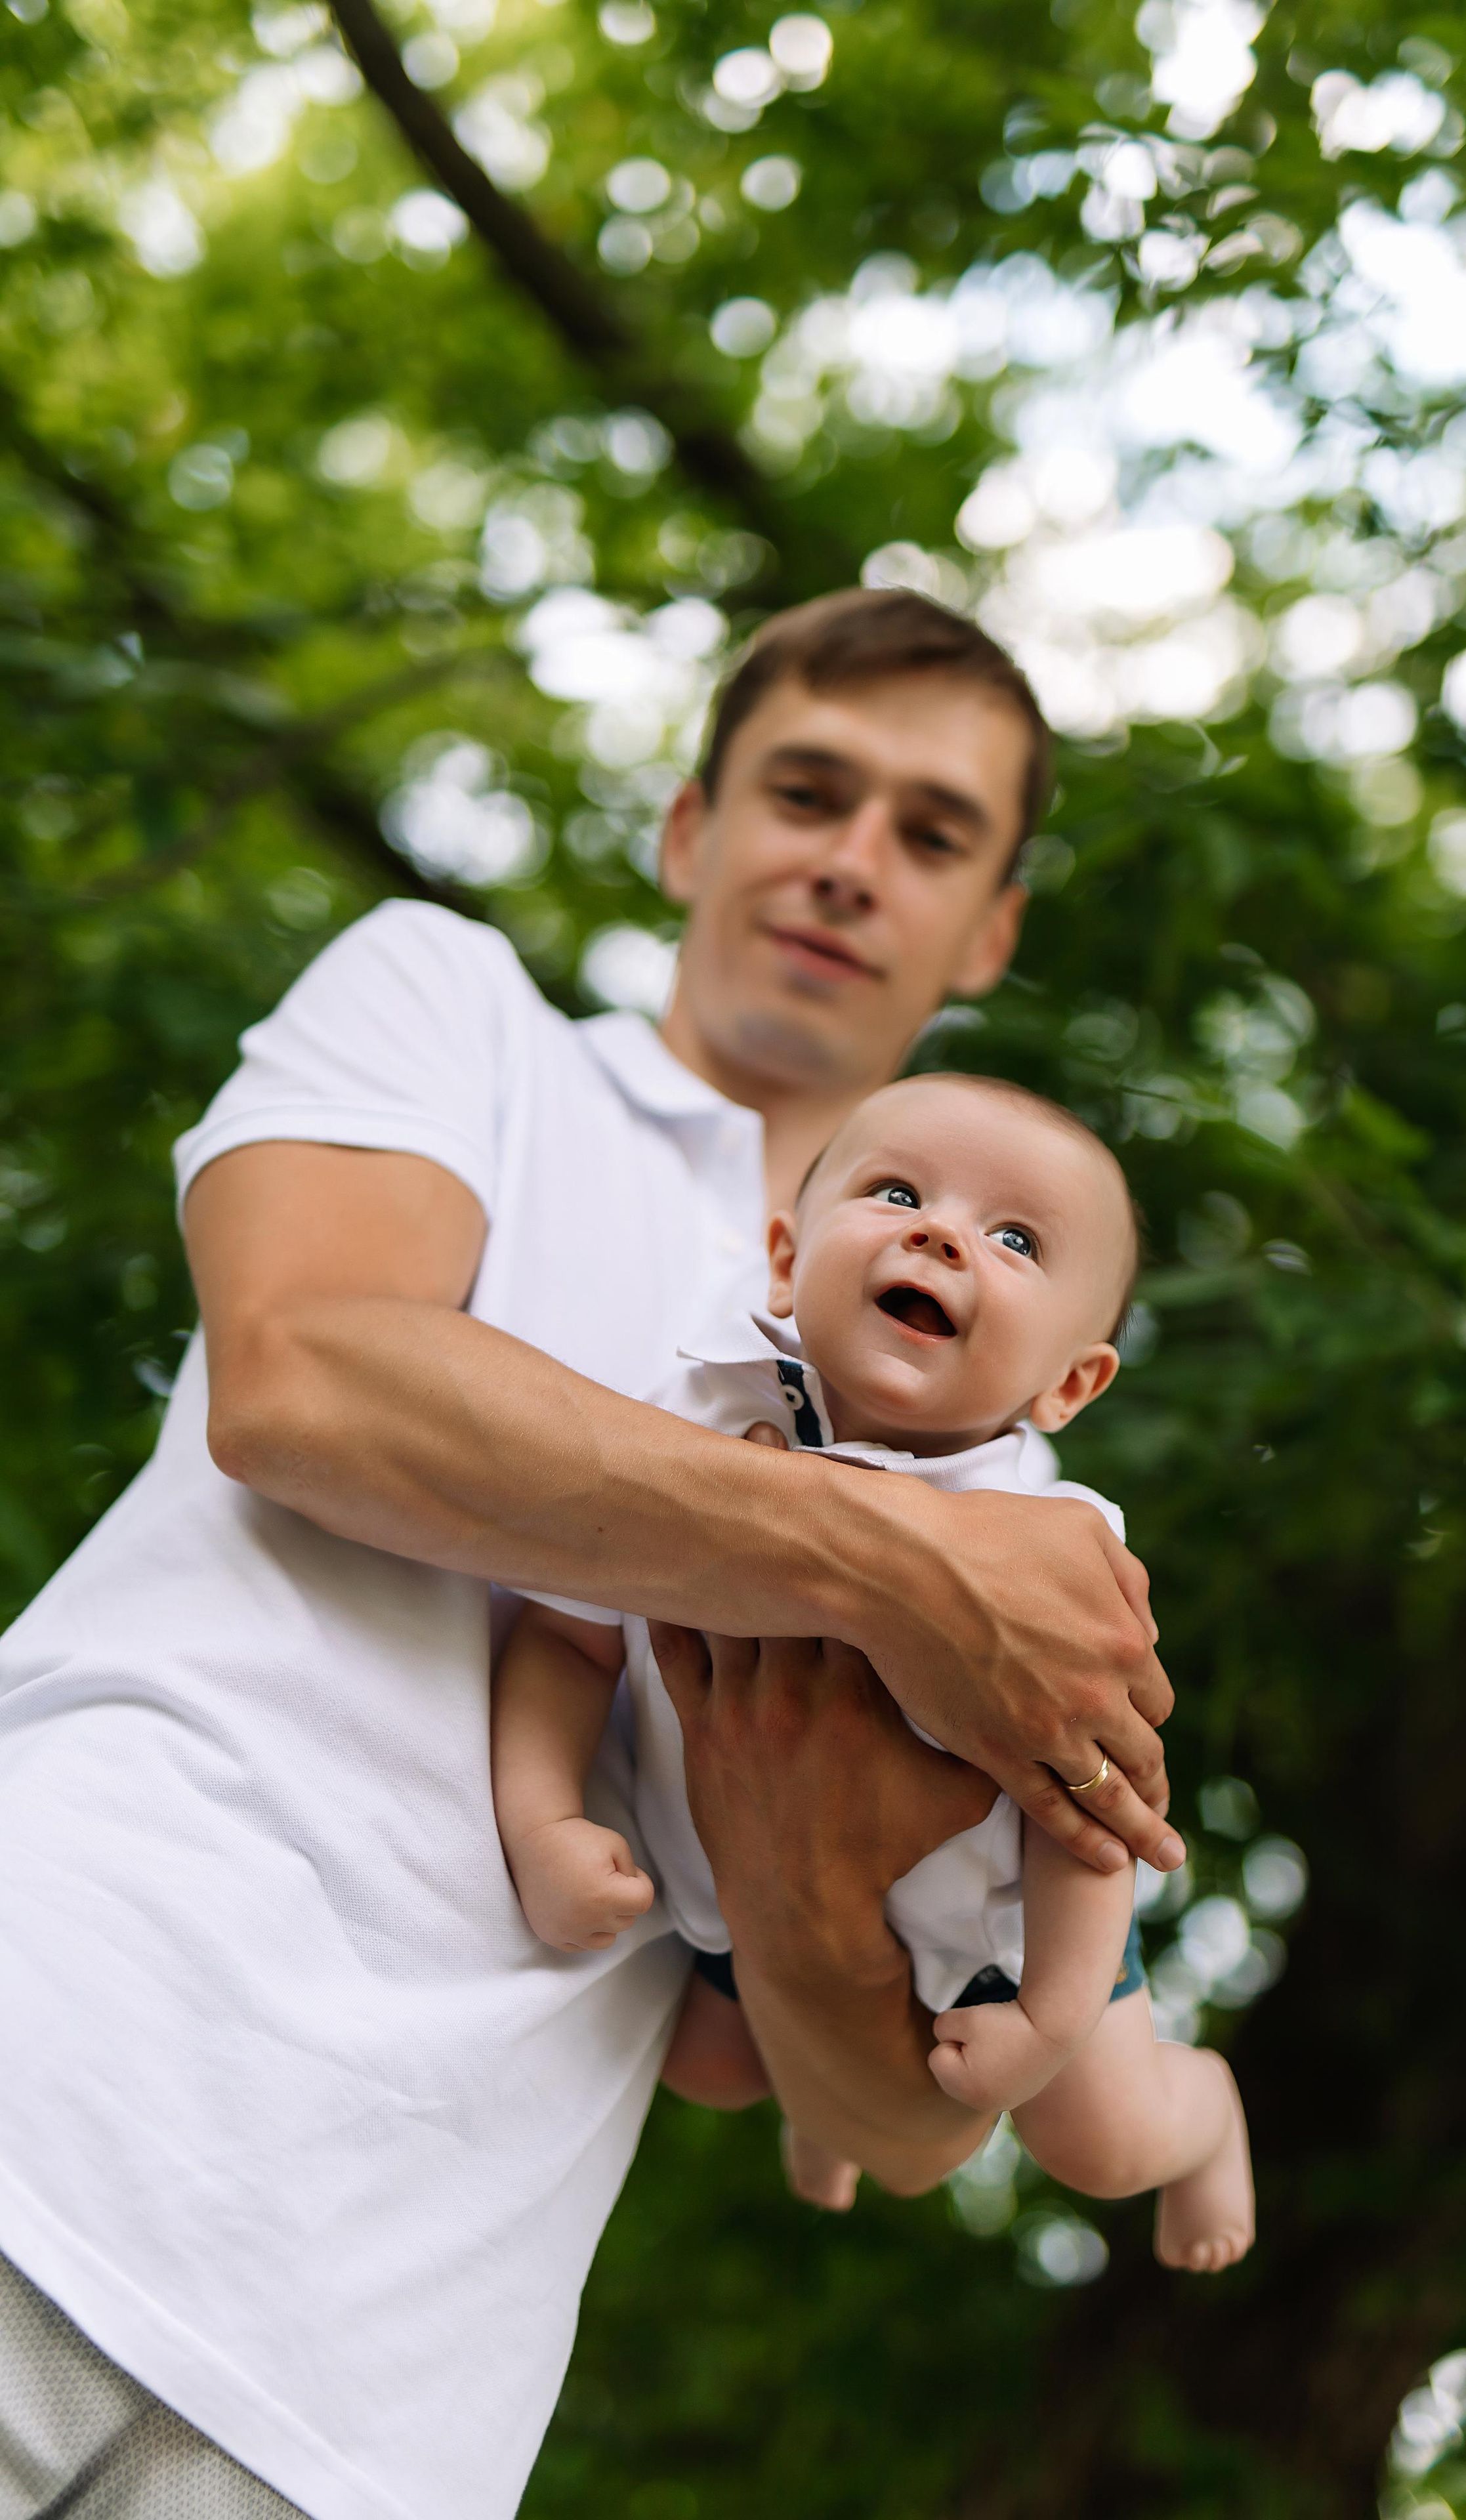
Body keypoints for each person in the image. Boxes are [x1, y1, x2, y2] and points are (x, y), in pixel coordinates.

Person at [0, 590, 1184, 2520]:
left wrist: (802, 1916)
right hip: (55, 2078)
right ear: (690, 830)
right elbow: (306, 1376)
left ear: (991, 934)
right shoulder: (449, 1010)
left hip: (393, 2403)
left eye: (932, 831)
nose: (851, 859)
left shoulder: (1000, 1443)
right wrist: (894, 1569)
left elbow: (895, 2118)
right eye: (807, 789)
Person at [493, 1069, 1253, 2273]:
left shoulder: (1057, 1549)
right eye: (898, 1190)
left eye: (1014, 1240)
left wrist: (1054, 2016)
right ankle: (821, 2106)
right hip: (744, 1876)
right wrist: (542, 1825)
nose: (940, 1232)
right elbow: (568, 1631)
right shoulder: (692, 1424)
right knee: (703, 2064)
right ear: (785, 1260)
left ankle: (1205, 2109)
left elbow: (1097, 1810)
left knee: (1102, 2142)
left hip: (1011, 1921)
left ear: (1070, 1384)